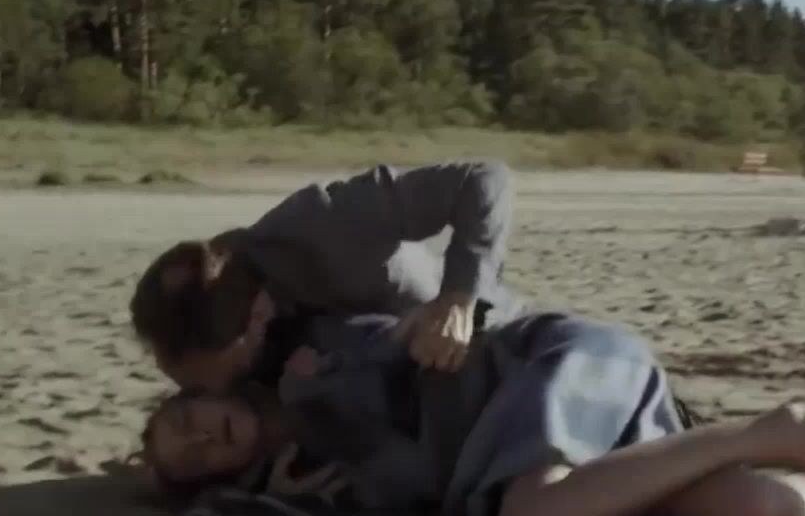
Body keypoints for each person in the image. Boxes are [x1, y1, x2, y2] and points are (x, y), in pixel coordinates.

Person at [139, 310, 805, 516]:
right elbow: (421, 490)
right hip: (561, 445)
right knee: (757, 512)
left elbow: (435, 355)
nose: (202, 438)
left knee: (534, 515)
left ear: (204, 392)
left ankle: (777, 428)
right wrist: (329, 482)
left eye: (183, 422)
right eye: (196, 459)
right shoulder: (312, 483)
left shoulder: (320, 353)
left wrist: (330, 397)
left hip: (552, 372)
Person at [129, 160, 526, 393]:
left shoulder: (323, 222)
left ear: (258, 315)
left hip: (499, 346)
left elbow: (483, 178)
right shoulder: (215, 343)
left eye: (235, 374)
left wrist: (457, 299)